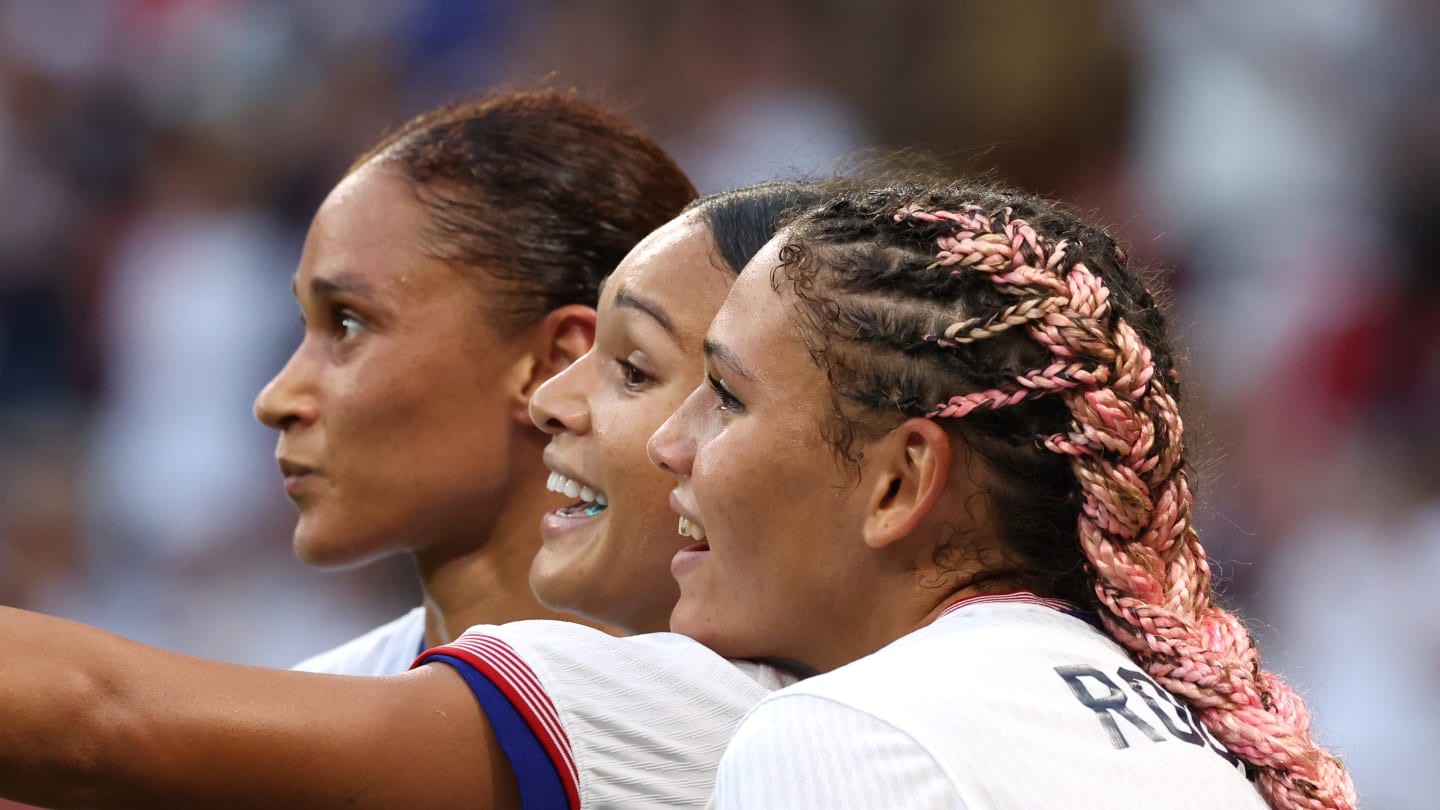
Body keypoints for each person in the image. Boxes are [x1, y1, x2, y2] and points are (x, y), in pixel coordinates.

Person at [0, 180, 829, 809]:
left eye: (348, 323)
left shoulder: (711, 707)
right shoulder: (381, 670)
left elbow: (98, 720)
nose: (553, 402)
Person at [647, 182, 1357, 809]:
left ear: (900, 483)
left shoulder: (845, 733)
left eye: (726, 397)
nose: (667, 444)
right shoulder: (1218, 743)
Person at [252, 91, 697, 676]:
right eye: (307, 326)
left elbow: (107, 707)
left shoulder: (739, 718)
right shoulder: (312, 702)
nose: (275, 399)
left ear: (554, 365)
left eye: (348, 322)